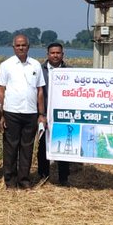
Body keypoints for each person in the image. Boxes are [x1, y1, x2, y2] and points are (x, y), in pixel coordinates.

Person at [0, 34, 46, 189]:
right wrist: (1, 115)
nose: (21, 48)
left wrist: (41, 114)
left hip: (30, 113)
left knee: (27, 147)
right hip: (11, 112)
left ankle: (24, 180)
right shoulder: (6, 65)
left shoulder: (36, 65)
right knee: (10, 148)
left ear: (28, 47)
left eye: (23, 45)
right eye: (18, 45)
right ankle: (10, 181)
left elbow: (39, 91)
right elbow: (0, 90)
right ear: (13, 47)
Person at [37, 41, 72, 186]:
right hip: (43, 114)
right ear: (48, 55)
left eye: (58, 53)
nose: (55, 55)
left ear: (62, 55)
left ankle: (63, 178)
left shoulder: (70, 71)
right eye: (52, 53)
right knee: (42, 147)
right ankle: (43, 176)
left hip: (62, 115)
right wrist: (40, 114)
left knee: (63, 146)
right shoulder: (40, 70)